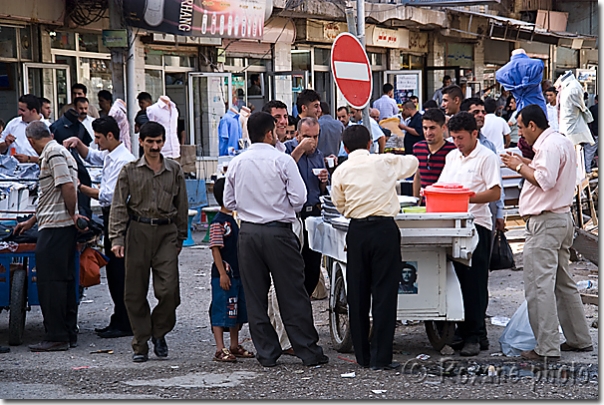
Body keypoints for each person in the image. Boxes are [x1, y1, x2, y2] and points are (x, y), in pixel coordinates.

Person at [223, 111, 328, 368]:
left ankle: (267, 352)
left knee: (255, 295)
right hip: (279, 231)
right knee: (292, 292)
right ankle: (307, 350)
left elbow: (228, 201)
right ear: (270, 133)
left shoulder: (238, 162)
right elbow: (299, 198)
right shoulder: (281, 160)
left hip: (248, 232)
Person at [500, 104, 593, 360]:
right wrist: (524, 162)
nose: (519, 133)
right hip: (560, 220)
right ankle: (579, 338)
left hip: (546, 223)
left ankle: (547, 348)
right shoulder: (558, 142)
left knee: (539, 286)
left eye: (520, 127)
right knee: (563, 283)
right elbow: (547, 171)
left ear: (532, 125)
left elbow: (545, 179)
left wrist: (517, 167)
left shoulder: (549, 145)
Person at [331, 125, 418, 370]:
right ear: (370, 143)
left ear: (345, 147)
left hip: (357, 232)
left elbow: (339, 205)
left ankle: (362, 356)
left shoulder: (341, 171)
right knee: (385, 294)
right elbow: (411, 162)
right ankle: (382, 358)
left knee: (357, 294)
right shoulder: (384, 162)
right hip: (385, 231)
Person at [109, 121, 188, 363]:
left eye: (159, 142)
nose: (155, 146)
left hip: (166, 233)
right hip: (138, 232)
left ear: (164, 142)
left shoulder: (174, 169)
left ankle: (159, 331)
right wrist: (117, 238)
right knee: (134, 292)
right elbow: (119, 205)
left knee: (169, 291)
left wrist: (181, 235)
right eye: (150, 142)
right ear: (141, 141)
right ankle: (140, 343)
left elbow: (181, 204)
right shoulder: (129, 170)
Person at [63, 116, 135, 339]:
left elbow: (108, 194)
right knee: (114, 271)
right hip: (111, 215)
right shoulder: (111, 154)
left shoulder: (124, 161)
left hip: (120, 216)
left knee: (118, 272)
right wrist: (78, 143)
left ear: (111, 136)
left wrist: (79, 187)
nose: (96, 142)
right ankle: (120, 318)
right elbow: (94, 155)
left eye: (98, 138)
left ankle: (125, 321)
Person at [14, 121, 82, 351]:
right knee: (63, 280)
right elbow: (51, 195)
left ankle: (57, 335)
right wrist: (31, 221)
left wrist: (73, 214)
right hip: (54, 223)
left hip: (57, 227)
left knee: (51, 283)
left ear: (31, 141)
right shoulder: (56, 153)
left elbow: (68, 187)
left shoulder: (53, 152)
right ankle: (66, 332)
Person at [438, 112, 501, 356]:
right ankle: (466, 331)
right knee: (458, 281)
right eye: (453, 138)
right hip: (453, 225)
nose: (457, 143)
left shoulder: (486, 157)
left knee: (475, 282)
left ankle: (475, 334)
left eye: (461, 138)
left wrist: (468, 197)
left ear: (474, 134)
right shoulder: (452, 156)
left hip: (477, 225)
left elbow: (495, 193)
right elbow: (445, 185)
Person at [209, 177, 255, 362]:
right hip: (224, 275)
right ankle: (220, 348)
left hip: (237, 274)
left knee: (235, 310)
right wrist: (222, 273)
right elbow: (215, 249)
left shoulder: (233, 220)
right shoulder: (219, 223)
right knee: (221, 310)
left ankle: (234, 345)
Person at [285, 117, 328, 296]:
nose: (312, 141)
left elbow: (321, 190)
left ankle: (304, 300)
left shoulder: (318, 154)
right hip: (296, 214)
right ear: (297, 135)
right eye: (306, 136)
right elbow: (283, 171)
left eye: (315, 136)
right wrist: (300, 149)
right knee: (294, 263)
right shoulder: (289, 150)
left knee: (313, 265)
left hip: (315, 212)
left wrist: (324, 181)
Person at [460, 98, 506, 234]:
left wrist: (500, 212)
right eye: (475, 112)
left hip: (486, 209)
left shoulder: (489, 146)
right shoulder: (453, 146)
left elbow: (497, 181)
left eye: (483, 112)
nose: (481, 115)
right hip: (461, 209)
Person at [50, 101, 94, 220]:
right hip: (62, 166)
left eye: (86, 108)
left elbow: (86, 146)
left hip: (78, 166)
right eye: (81, 108)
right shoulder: (56, 127)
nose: (83, 111)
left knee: (83, 200)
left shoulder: (80, 126)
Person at [412, 108, 456, 199]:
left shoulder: (453, 150)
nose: (428, 132)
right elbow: (418, 176)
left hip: (444, 202)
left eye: (432, 128)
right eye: (425, 128)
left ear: (443, 128)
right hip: (423, 205)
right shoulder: (418, 148)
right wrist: (416, 200)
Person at [0, 94, 47, 163]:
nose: (19, 113)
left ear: (33, 111)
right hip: (13, 170)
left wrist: (29, 159)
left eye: (22, 110)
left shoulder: (47, 127)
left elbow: (50, 158)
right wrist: (6, 144)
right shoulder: (13, 123)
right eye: (19, 109)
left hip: (38, 170)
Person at [585, 95, 598, 175]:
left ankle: (588, 171)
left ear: (596, 100)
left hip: (595, 134)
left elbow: (589, 121)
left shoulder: (593, 109)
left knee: (588, 153)